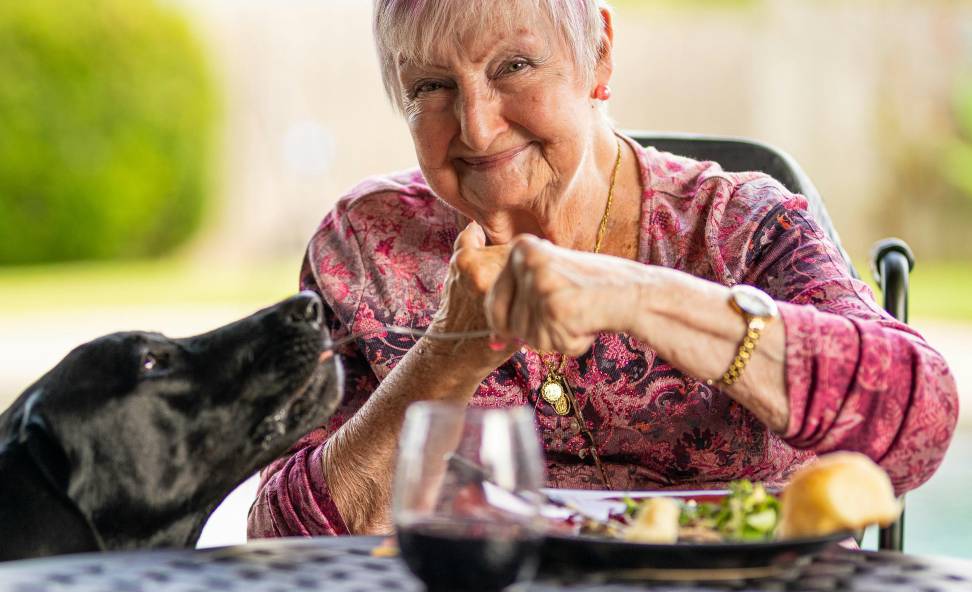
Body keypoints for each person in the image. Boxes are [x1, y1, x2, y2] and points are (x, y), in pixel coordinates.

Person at [248, 0, 958, 537]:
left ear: (600, 57)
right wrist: (449, 353)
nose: (477, 126)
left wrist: (638, 295)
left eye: (514, 67)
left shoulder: (739, 227)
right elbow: (282, 539)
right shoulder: (368, 244)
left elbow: (919, 419)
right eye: (432, 86)